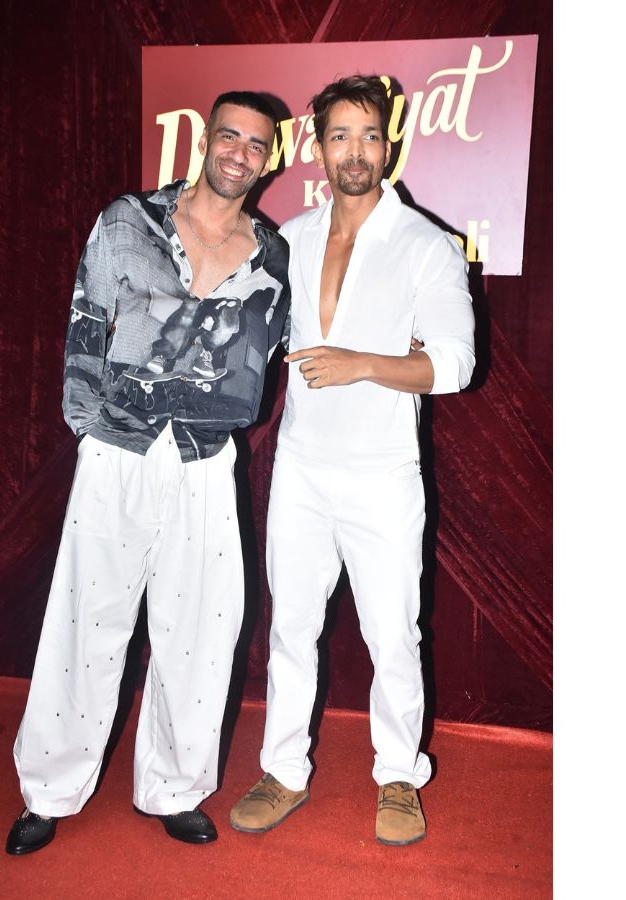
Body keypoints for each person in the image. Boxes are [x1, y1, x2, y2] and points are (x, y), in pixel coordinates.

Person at [5, 91, 290, 856]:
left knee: (200, 631)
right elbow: (85, 323)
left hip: (205, 459)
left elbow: (268, 351)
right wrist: (89, 430)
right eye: (228, 136)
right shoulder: (128, 221)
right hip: (119, 450)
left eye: (255, 144)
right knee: (85, 621)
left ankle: (174, 788)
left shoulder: (273, 254)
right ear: (205, 140)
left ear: (270, 159)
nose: (239, 153)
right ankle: (48, 790)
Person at [227, 75, 475, 847]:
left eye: (369, 135)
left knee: (393, 636)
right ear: (319, 147)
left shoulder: (426, 245)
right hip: (301, 468)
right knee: (291, 627)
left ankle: (399, 776)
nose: (355, 152)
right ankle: (283, 772)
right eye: (340, 136)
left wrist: (364, 361)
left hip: (382, 475)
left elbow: (456, 364)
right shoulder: (291, 237)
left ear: (389, 145)